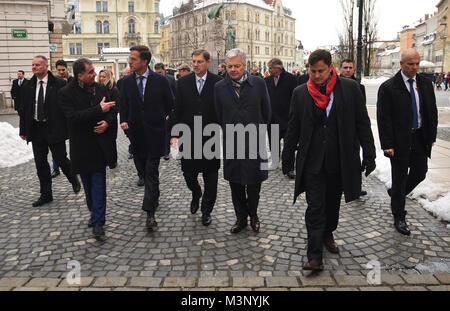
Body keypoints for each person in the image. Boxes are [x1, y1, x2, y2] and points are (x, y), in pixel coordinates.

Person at [282, 49, 376, 271]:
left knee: (332, 205)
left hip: (339, 159)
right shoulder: (300, 93)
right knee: (315, 207)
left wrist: (369, 153)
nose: (316, 76)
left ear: (330, 67)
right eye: (312, 71)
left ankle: (327, 233)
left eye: (320, 71)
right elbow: (293, 127)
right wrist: (287, 157)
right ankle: (314, 256)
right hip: (312, 162)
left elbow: (362, 122)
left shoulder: (350, 89)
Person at [377, 48, 438, 236]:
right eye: (411, 64)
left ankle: (397, 192)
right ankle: (399, 215)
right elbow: (383, 118)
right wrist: (387, 144)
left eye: (417, 63)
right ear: (401, 64)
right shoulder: (389, 87)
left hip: (420, 137)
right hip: (398, 141)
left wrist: (432, 136)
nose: (415, 67)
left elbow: (431, 111)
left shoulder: (425, 84)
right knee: (400, 176)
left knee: (420, 173)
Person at [59, 58, 118, 238]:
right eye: (91, 72)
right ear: (80, 75)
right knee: (88, 185)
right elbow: (73, 118)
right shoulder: (65, 93)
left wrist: (107, 123)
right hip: (81, 146)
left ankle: (99, 221)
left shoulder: (101, 88)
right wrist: (99, 111)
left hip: (99, 145)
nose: (95, 74)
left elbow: (112, 111)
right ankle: (94, 213)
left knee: (98, 184)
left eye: (94, 71)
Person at [214, 48, 271, 234]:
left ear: (245, 66)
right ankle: (241, 218)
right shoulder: (219, 88)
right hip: (232, 142)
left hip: (255, 141)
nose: (233, 69)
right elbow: (218, 114)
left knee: (255, 183)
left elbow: (266, 112)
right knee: (235, 182)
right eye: (230, 66)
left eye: (237, 66)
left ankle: (253, 214)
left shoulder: (259, 84)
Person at [120, 45, 174, 231]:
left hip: (155, 134)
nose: (130, 61)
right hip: (136, 135)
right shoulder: (126, 82)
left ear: (144, 61)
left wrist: (161, 120)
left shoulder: (160, 80)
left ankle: (150, 213)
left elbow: (170, 104)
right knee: (143, 172)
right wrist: (125, 123)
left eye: (133, 59)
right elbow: (123, 105)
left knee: (151, 172)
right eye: (130, 58)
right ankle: (154, 195)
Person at [19, 55, 81, 207]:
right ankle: (46, 194)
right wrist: (23, 129)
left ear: (46, 67)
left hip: (54, 128)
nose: (34, 67)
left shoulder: (59, 83)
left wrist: (70, 126)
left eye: (38, 65)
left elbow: (67, 107)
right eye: (33, 65)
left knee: (61, 159)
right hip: (36, 129)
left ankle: (73, 178)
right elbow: (24, 109)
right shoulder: (28, 86)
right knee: (41, 164)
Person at [170, 49, 222, 226]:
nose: (196, 64)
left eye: (199, 61)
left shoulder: (218, 82)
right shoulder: (183, 82)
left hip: (211, 136)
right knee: (188, 174)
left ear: (208, 62)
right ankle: (195, 193)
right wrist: (174, 134)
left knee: (211, 177)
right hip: (188, 135)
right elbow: (177, 109)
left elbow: (222, 110)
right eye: (194, 61)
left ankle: (206, 210)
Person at [339, 59, 368, 197]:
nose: (348, 70)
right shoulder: (335, 85)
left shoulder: (359, 86)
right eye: (345, 67)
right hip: (339, 127)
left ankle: (356, 186)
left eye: (350, 67)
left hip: (354, 128)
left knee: (355, 158)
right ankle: (342, 184)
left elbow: (362, 110)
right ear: (340, 69)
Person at [264, 58, 297, 179]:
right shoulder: (266, 80)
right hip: (272, 118)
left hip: (288, 118)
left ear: (278, 68)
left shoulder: (292, 79)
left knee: (289, 145)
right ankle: (275, 162)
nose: (269, 70)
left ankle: (289, 168)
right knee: (273, 143)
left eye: (270, 68)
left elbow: (295, 98)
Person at [51, 59, 75, 178]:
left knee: (74, 143)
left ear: (67, 69)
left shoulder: (73, 81)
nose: (61, 72)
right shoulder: (53, 82)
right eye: (58, 70)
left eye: (63, 70)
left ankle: (75, 166)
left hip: (70, 118)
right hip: (58, 119)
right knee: (56, 146)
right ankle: (56, 168)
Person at [154, 63, 176, 161]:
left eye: (160, 72)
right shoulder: (153, 79)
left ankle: (166, 152)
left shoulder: (170, 79)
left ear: (164, 70)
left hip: (168, 110)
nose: (158, 74)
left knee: (167, 131)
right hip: (156, 110)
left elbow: (175, 94)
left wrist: (171, 110)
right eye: (156, 72)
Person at [117, 66, 135, 161]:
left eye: (129, 73)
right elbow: (121, 99)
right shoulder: (121, 82)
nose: (127, 75)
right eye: (126, 73)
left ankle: (133, 149)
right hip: (126, 112)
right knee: (129, 134)